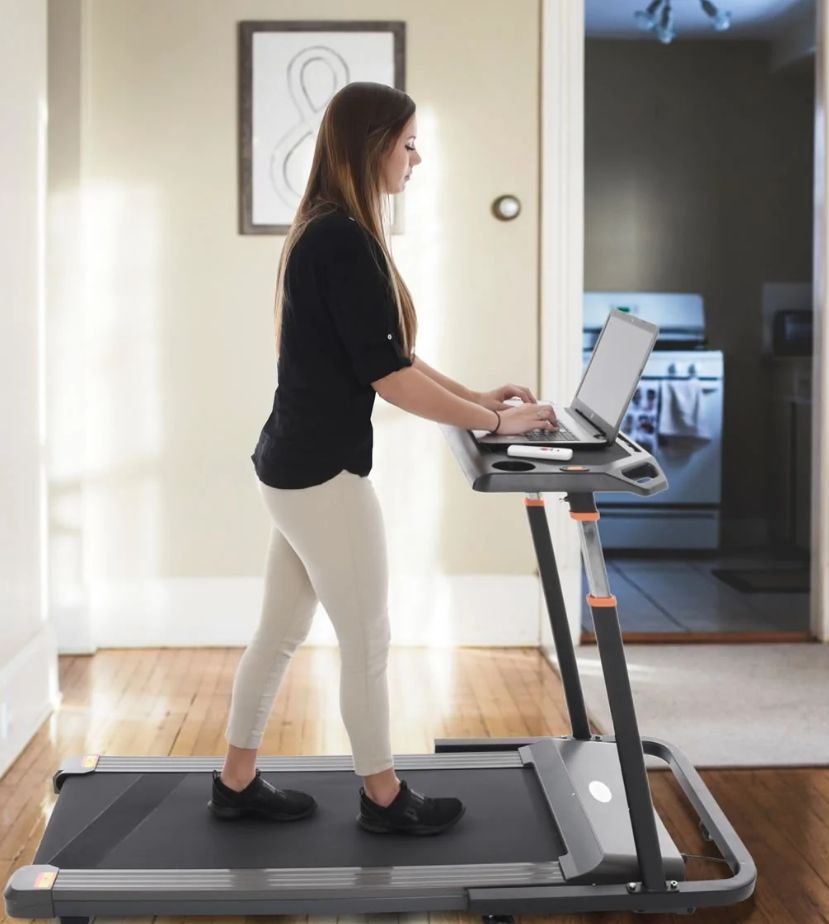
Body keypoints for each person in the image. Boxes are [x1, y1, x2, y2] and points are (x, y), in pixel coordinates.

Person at [210, 82, 558, 835]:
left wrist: (477, 397)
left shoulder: (330, 229)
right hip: (321, 474)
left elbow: (394, 355)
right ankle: (384, 798)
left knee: (278, 634)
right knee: (367, 641)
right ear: (373, 146)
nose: (416, 156)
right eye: (406, 143)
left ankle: (235, 783)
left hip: (290, 465)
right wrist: (496, 420)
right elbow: (390, 378)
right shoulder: (343, 239)